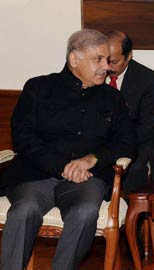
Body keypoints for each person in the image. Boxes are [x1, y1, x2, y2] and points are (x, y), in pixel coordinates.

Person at [0, 29, 136, 270]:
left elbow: (126, 143)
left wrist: (92, 159)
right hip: (35, 175)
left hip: (87, 179)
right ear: (74, 59)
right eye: (98, 59)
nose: (106, 67)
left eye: (108, 60)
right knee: (24, 211)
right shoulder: (38, 88)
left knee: (85, 212)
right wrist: (62, 165)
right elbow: (23, 138)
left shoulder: (112, 99)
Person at [106, 31, 154, 193]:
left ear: (129, 55)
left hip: (135, 144)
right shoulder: (94, 72)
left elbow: (147, 127)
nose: (108, 67)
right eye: (105, 60)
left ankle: (130, 216)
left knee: (134, 171)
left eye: (114, 62)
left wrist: (118, 146)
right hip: (99, 143)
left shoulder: (146, 78)